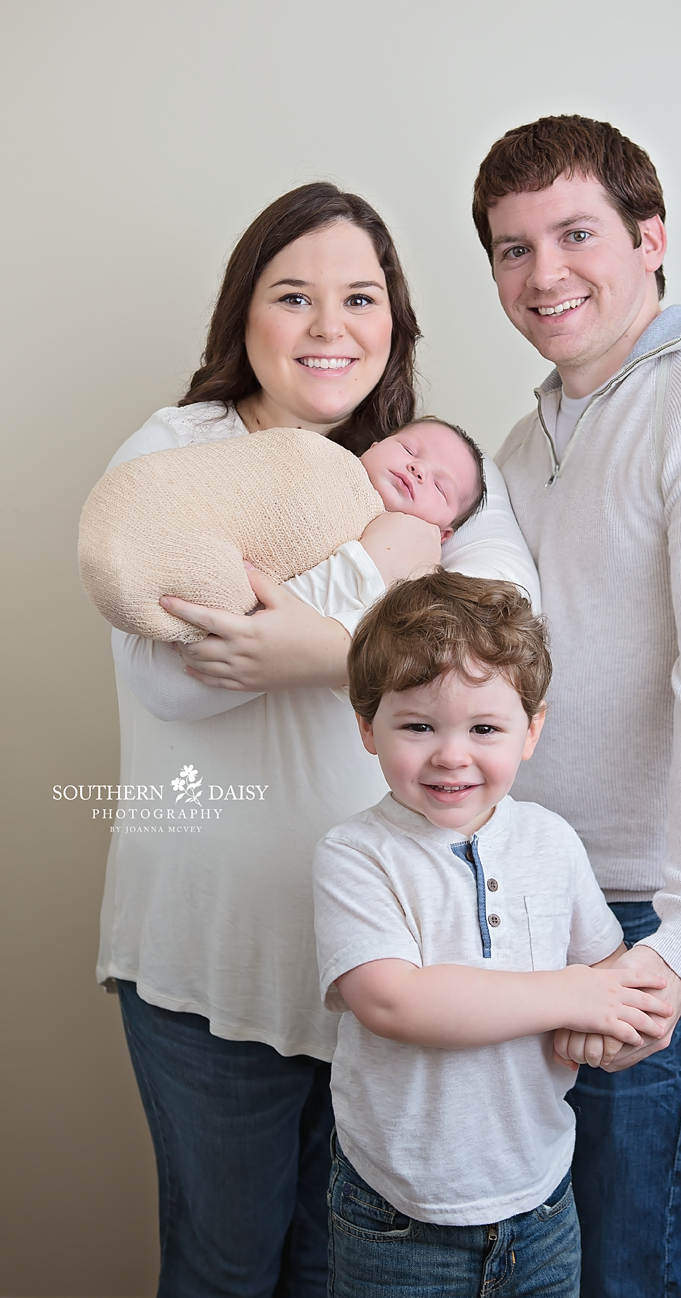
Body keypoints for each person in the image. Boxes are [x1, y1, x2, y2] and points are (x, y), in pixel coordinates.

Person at [97, 181, 540, 1298]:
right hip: (211, 960)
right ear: (245, 313)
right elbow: (180, 683)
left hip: (388, 971)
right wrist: (388, 561)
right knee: (225, 1267)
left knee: (341, 1275)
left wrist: (306, 646)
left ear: (395, 321)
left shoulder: (426, 461)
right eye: (294, 295)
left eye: (360, 296)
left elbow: (497, 650)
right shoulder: (177, 449)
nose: (330, 327)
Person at [471, 115, 681, 1297]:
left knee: (631, 1270)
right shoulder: (525, 438)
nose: (543, 272)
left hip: (645, 913)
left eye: (574, 234)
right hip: (529, 892)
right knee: (530, 1264)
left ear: (650, 237)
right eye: (512, 249)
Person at [313, 571, 673, 1298]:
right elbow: (395, 1004)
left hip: (541, 1205)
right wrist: (570, 996)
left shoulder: (552, 841)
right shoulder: (355, 855)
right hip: (399, 1220)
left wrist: (618, 1027)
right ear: (365, 727)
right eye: (418, 726)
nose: (451, 755)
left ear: (530, 731)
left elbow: (607, 976)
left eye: (484, 728)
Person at [79, 416, 486, 642]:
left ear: (444, 534)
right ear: (374, 446)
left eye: (439, 485)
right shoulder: (313, 456)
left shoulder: (419, 568)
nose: (418, 469)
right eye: (410, 449)